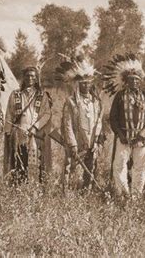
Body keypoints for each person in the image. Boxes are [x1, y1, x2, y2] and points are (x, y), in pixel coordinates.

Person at [103, 53, 145, 198]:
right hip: (124, 137)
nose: (134, 82)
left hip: (141, 138)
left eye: (136, 80)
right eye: (131, 79)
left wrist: (144, 131)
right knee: (119, 166)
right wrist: (120, 135)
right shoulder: (120, 96)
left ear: (140, 81)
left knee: (140, 167)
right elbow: (113, 118)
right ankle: (124, 194)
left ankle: (136, 196)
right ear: (126, 81)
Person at [56, 55, 105, 190]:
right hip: (77, 141)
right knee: (71, 169)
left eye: (88, 82)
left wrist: (96, 141)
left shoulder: (96, 102)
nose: (86, 85)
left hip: (91, 142)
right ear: (78, 84)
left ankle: (86, 193)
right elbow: (67, 124)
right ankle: (68, 194)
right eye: (83, 83)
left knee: (90, 168)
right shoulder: (71, 102)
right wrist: (72, 144)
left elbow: (98, 122)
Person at [4, 65, 52, 183]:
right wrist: (8, 132)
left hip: (36, 135)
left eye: (32, 76)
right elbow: (9, 114)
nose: (30, 78)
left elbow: (47, 113)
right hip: (19, 134)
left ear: (36, 79)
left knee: (37, 163)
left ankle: (36, 189)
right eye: (27, 76)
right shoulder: (15, 94)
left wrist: (35, 127)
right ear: (23, 78)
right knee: (19, 162)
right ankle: (18, 188)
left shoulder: (42, 95)